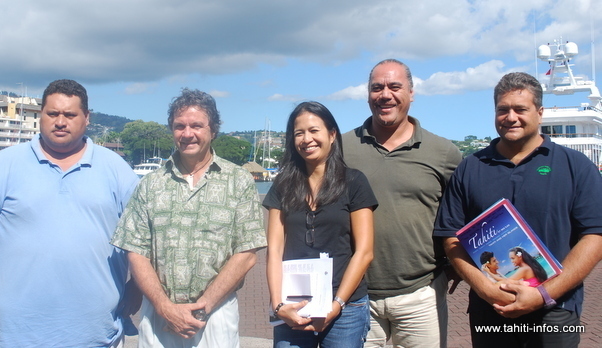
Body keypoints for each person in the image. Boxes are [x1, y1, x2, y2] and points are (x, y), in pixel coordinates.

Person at [0, 79, 141, 347]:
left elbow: (145, 236)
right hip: (14, 335)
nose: (60, 121)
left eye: (70, 114)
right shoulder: (1, 167)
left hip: (96, 335)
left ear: (86, 118)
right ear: (41, 115)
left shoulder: (117, 170)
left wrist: (137, 287)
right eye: (52, 113)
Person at [434, 72, 602, 347]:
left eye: (520, 109)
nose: (510, 117)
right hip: (490, 310)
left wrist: (544, 294)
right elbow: (451, 237)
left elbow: (595, 237)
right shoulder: (470, 167)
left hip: (554, 312)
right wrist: (485, 288)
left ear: (540, 113)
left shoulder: (576, 166)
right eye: (503, 109)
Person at [111, 88, 266, 348]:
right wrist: (164, 306)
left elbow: (247, 252)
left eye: (197, 125)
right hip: (160, 316)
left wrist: (203, 307)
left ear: (213, 130)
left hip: (215, 317)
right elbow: (136, 252)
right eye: (179, 126)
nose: (187, 133)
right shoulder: (151, 184)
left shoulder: (238, 181)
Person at [342, 59, 462, 348]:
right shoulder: (340, 148)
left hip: (422, 294)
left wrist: (457, 265)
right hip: (356, 295)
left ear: (411, 92)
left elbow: (463, 214)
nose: (385, 94)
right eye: (376, 88)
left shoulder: (443, 152)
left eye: (395, 86)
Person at [264, 101, 377, 347]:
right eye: (299, 133)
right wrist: (278, 305)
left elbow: (364, 252)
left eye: (314, 130)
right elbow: (274, 251)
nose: (307, 139)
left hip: (345, 309)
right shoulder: (282, 185)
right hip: (293, 304)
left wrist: (337, 305)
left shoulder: (355, 182)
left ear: (332, 134)